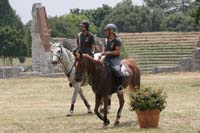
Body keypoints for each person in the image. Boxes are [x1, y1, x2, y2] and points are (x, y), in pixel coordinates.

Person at [101, 23, 124, 93]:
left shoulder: (117, 41)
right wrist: (102, 53)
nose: (105, 32)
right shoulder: (106, 40)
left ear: (111, 31)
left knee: (118, 71)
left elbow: (117, 52)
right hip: (106, 58)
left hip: (114, 59)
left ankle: (120, 86)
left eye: (106, 31)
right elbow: (104, 50)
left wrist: (108, 53)